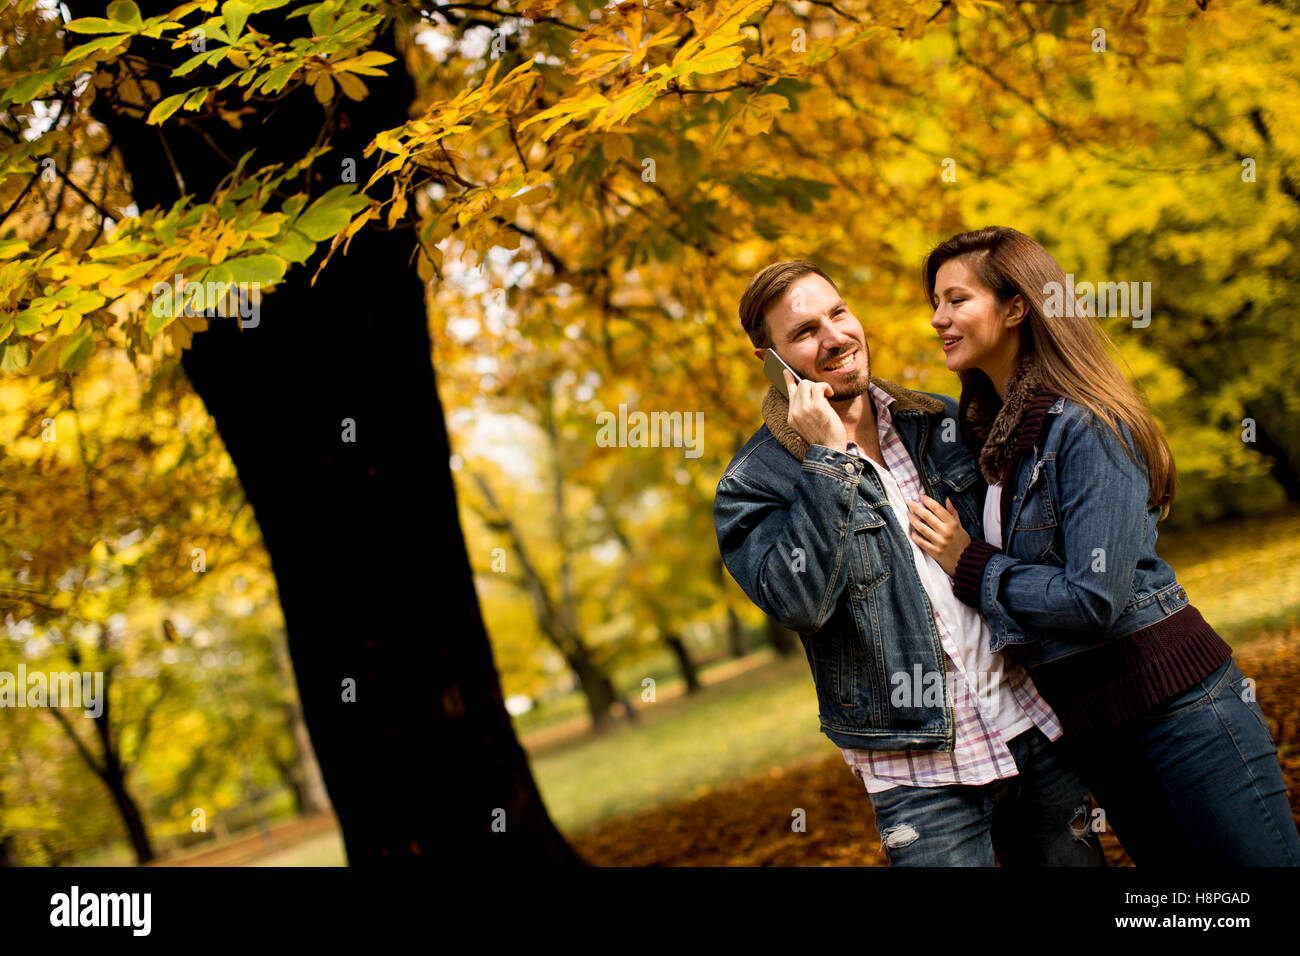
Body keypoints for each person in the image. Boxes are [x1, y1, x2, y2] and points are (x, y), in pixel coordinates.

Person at [907, 225, 1300, 865]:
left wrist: (969, 563)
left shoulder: (1085, 424)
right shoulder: (995, 445)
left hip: (1183, 715)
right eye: (936, 302)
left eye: (956, 300)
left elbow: (1094, 598)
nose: (937, 318)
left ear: (1015, 307)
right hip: (1101, 731)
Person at [713, 259, 1106, 866]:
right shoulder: (753, 483)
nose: (835, 336)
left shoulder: (939, 422)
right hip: (914, 771)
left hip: (1027, 721)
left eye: (838, 313)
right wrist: (828, 460)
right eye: (805, 331)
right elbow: (797, 602)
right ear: (772, 360)